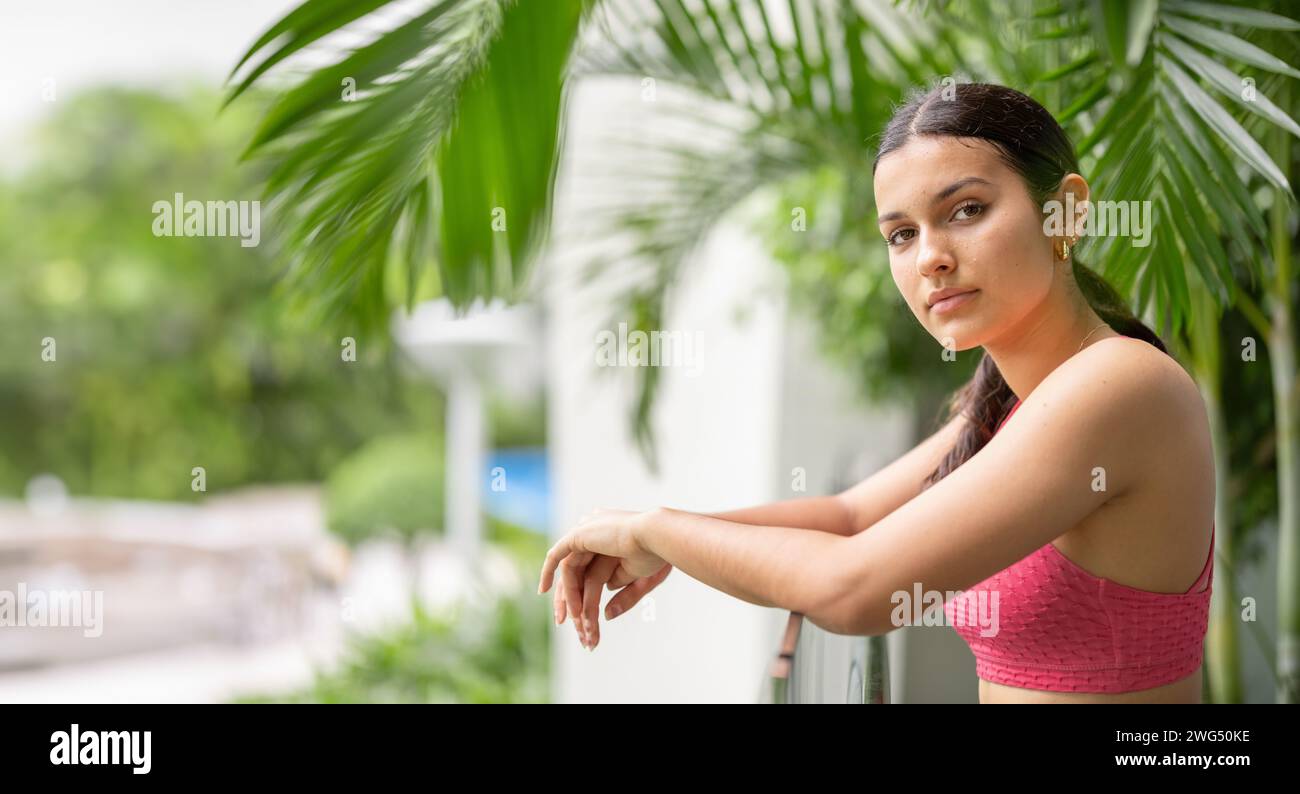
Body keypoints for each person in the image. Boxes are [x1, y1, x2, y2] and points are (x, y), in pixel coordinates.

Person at [538, 82, 1215, 704]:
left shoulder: (1119, 386)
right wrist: (659, 532)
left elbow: (854, 588)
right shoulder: (1011, 405)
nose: (930, 257)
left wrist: (657, 532)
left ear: (1065, 211)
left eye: (967, 210)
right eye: (901, 234)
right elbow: (850, 518)